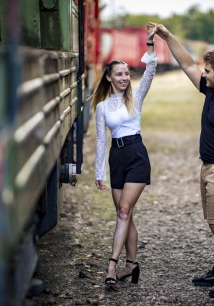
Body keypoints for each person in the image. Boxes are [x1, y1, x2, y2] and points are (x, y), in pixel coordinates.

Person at [151, 22, 214, 298]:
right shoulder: (211, 91)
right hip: (209, 167)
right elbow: (186, 64)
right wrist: (167, 35)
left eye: (207, 71)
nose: (203, 74)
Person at [91, 24, 157, 286]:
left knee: (124, 211)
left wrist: (150, 42)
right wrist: (99, 172)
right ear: (109, 77)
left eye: (127, 73)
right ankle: (132, 265)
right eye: (119, 74)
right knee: (125, 213)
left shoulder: (135, 97)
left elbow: (150, 70)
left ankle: (111, 266)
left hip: (137, 155)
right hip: (116, 158)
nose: (124, 78)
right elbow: (99, 140)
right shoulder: (102, 107)